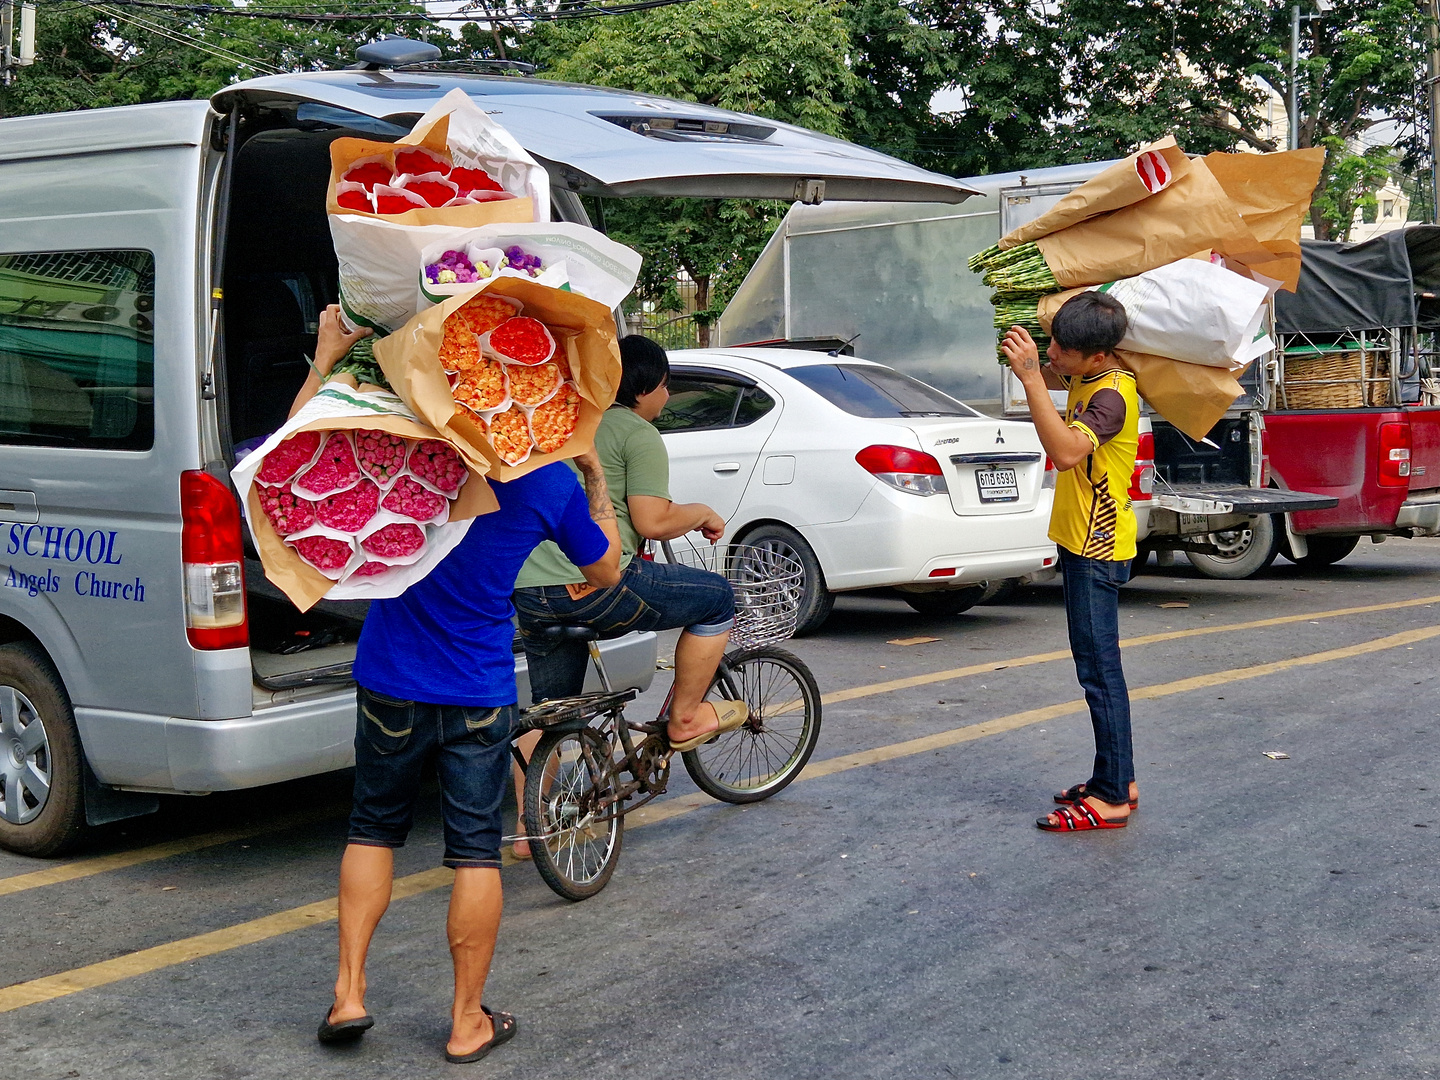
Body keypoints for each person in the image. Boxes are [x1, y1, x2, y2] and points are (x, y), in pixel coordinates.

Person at [299, 307, 623, 1061]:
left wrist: (327, 357)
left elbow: (297, 455)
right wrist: (594, 476)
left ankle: (348, 995)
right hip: (476, 687)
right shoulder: (547, 483)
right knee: (476, 850)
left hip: (388, 676)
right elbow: (604, 568)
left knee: (371, 828)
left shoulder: (406, 442)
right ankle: (466, 1020)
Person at [508, 336, 744, 857]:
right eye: (665, 387)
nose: (666, 397)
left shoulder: (566, 420)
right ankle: (685, 716)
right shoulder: (636, 432)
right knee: (716, 598)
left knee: (551, 710)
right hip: (594, 583)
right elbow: (651, 521)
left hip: (530, 591)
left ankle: (531, 833)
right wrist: (703, 510)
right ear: (648, 388)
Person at [999, 292, 1141, 833]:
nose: (1053, 354)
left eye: (1063, 348)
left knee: (1099, 672)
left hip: (1096, 546)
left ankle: (1110, 799)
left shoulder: (1112, 399)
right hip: (1081, 538)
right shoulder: (1089, 376)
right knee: (1100, 670)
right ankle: (1117, 777)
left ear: (1100, 357)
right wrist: (1039, 359)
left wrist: (1033, 379)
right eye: (1054, 342)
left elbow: (1063, 453)